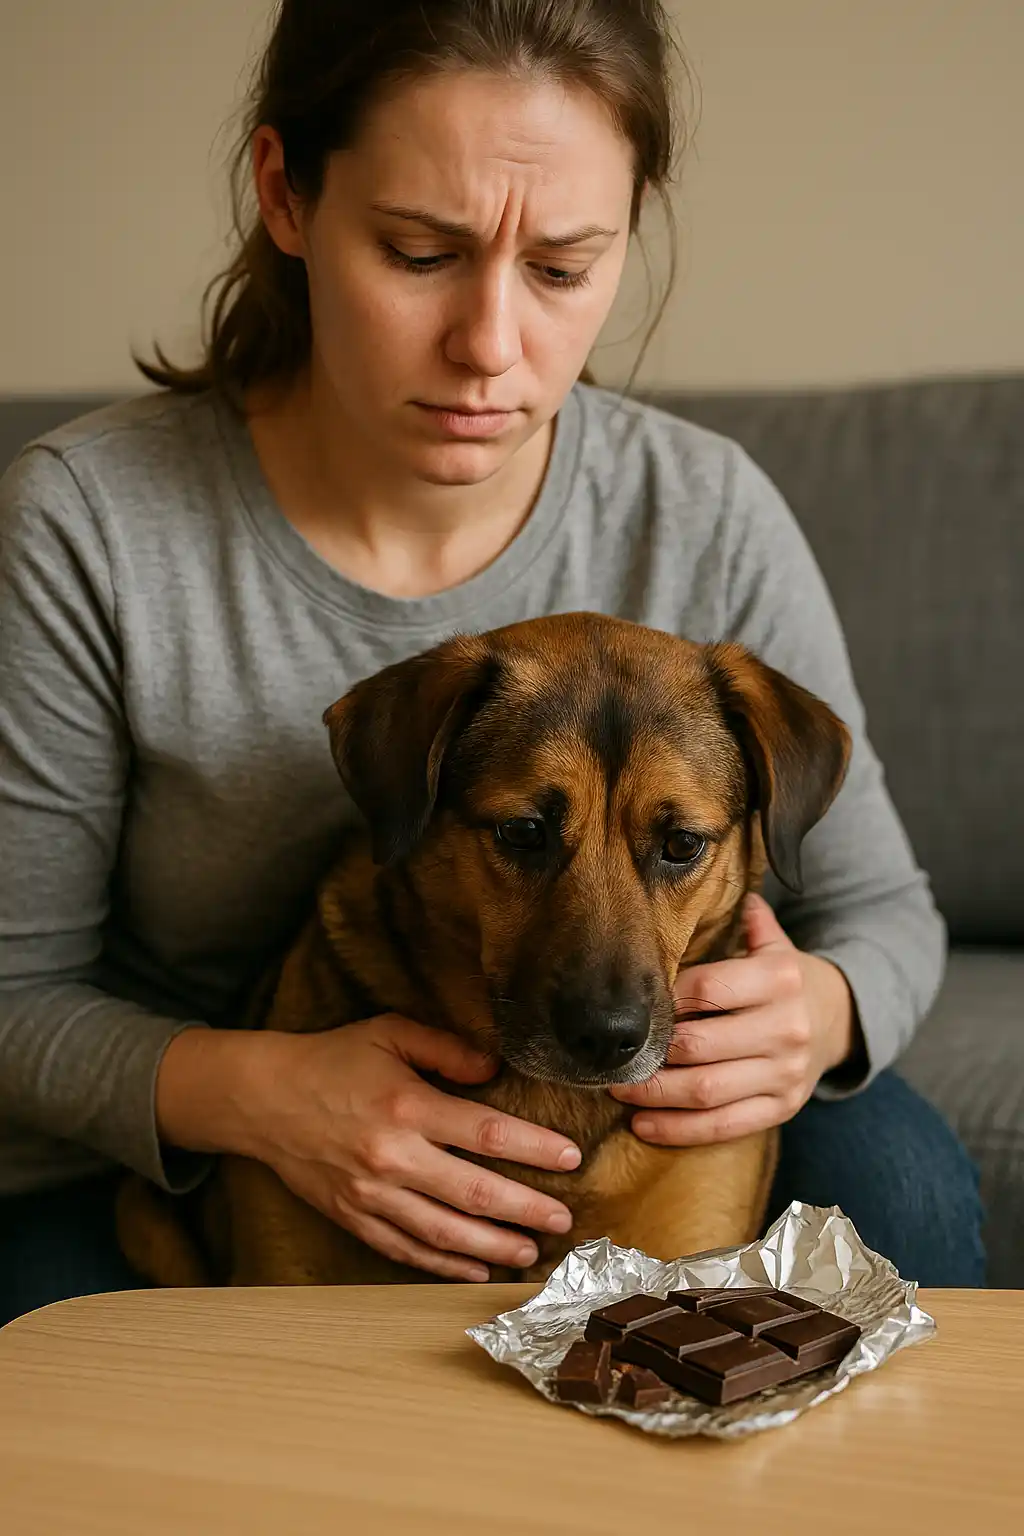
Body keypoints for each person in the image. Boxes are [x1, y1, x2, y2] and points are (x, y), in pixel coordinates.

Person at [0, 0, 984, 1328]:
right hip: (204, 1106)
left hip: (641, 1112)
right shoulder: (88, 522)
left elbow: (886, 911)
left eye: (565, 266)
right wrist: (260, 1097)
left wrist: (817, 1008)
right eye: (420, 252)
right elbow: (12, 996)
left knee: (906, 1186)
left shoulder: (706, 508)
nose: (490, 345)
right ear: (287, 194)